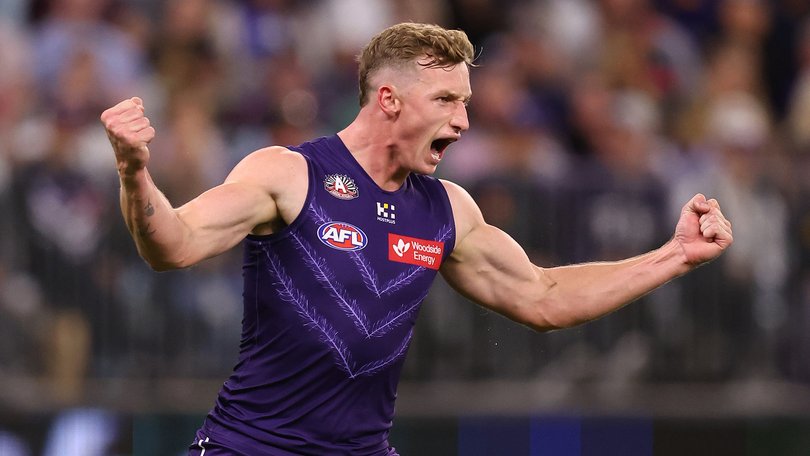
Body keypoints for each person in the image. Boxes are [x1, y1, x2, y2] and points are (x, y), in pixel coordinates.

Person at [100, 22, 733, 456]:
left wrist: (675, 255)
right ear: (389, 100)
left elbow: (543, 297)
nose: (463, 120)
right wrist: (135, 171)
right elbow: (173, 246)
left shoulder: (448, 209)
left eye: (467, 101)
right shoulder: (288, 174)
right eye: (448, 100)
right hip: (251, 447)